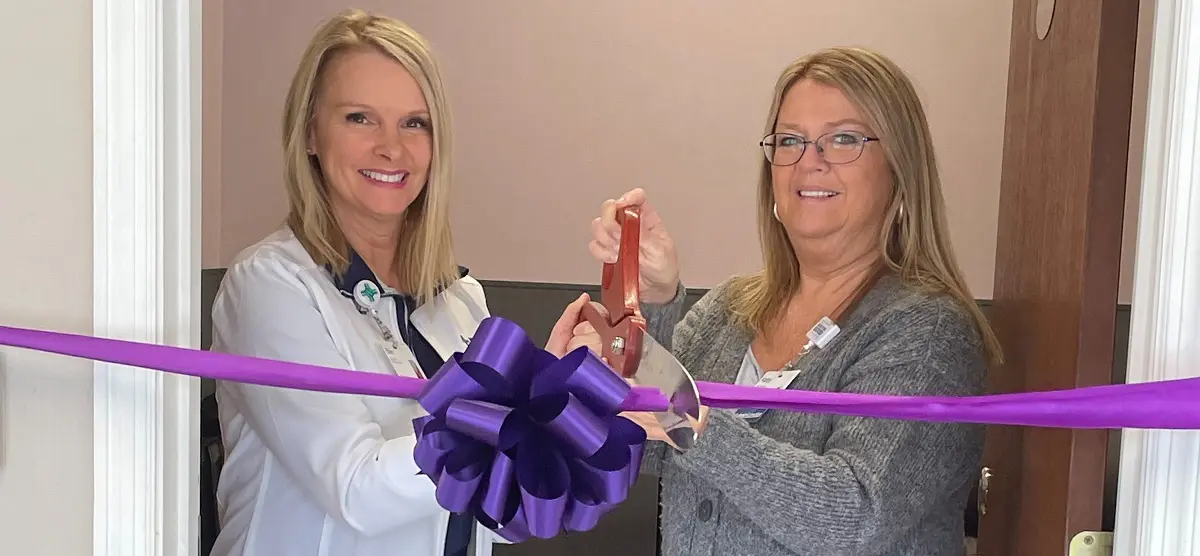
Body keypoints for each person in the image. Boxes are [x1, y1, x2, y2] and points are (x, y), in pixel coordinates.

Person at [579, 46, 1003, 556]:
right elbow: (647, 446)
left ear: (899, 168)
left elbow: (852, 514)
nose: (809, 162)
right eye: (791, 141)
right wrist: (649, 305)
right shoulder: (726, 313)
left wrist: (699, 429)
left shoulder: (928, 333)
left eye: (843, 139)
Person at [207, 9, 592, 556]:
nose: (392, 148)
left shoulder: (460, 301)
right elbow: (357, 489)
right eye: (360, 118)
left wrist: (561, 401)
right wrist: (515, 414)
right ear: (311, 133)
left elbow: (488, 507)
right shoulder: (268, 289)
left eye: (415, 122)